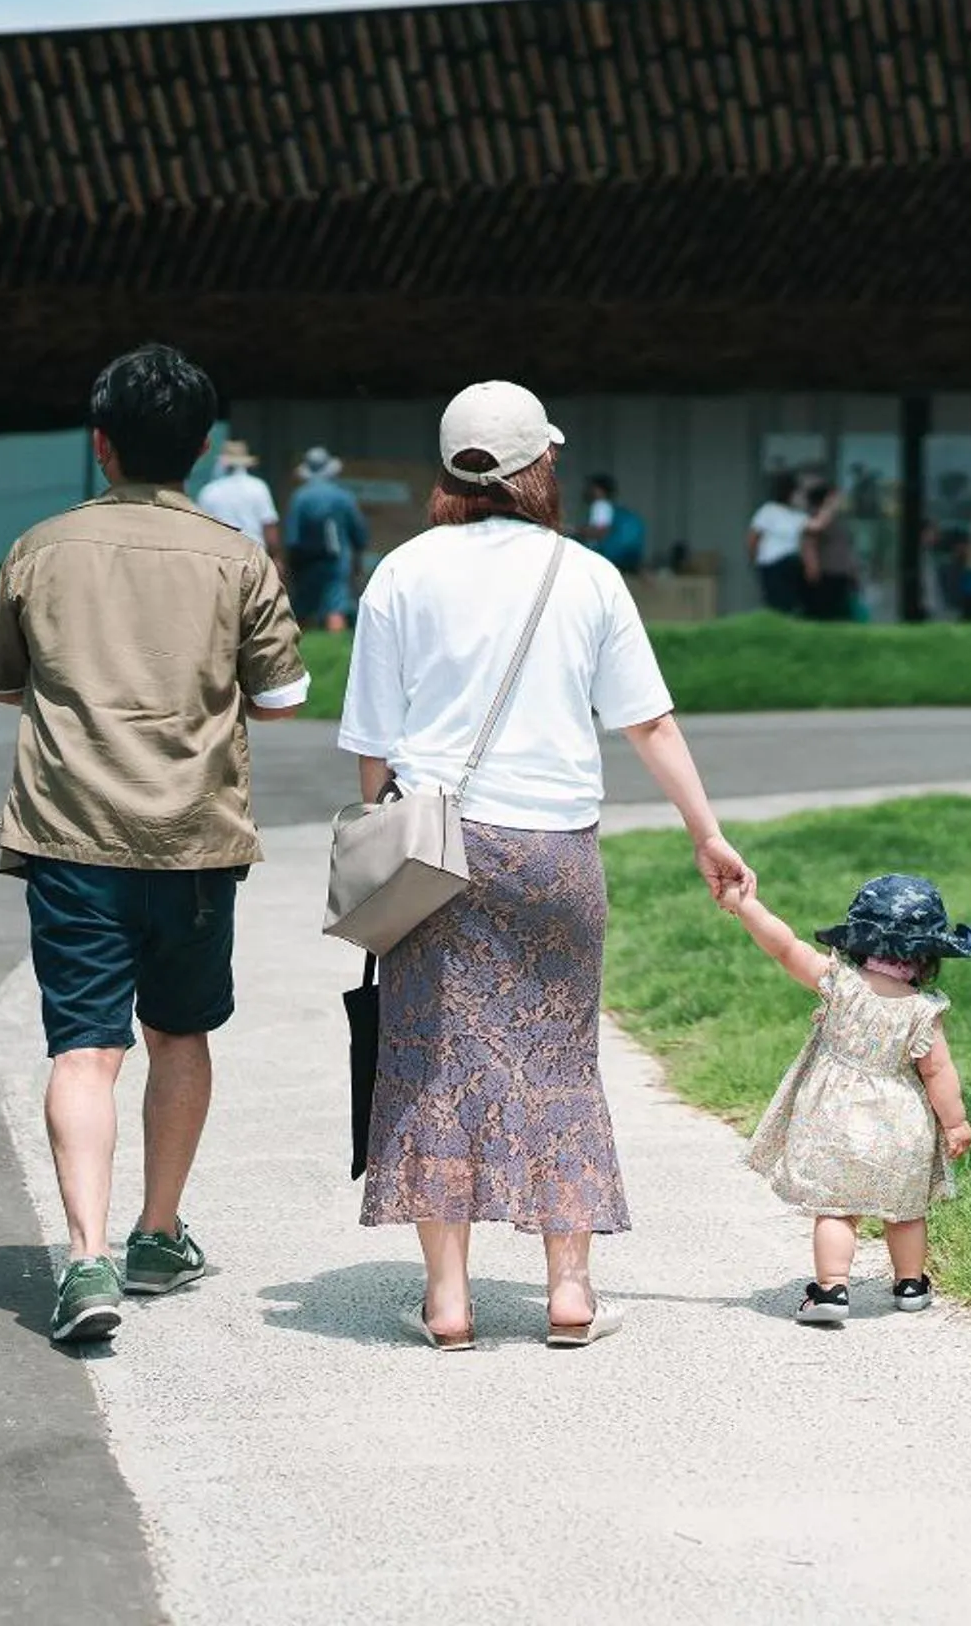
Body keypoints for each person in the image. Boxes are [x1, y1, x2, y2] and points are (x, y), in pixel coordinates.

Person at [338, 380, 754, 1351]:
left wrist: (381, 839)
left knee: (430, 1060)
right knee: (559, 1058)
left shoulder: (400, 573)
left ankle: (448, 1304)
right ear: (539, 467)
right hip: (556, 848)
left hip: (436, 843)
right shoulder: (587, 576)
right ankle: (569, 1293)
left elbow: (371, 743)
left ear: (450, 471)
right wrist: (707, 831)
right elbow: (646, 720)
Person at [0, 344, 311, 1344]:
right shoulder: (237, 554)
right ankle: (157, 1233)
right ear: (202, 452)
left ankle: (84, 1262)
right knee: (181, 1034)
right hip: (194, 842)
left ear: (100, 444)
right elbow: (284, 699)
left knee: (85, 1051)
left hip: (72, 839)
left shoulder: (41, 547)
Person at [721, 873, 971, 1327]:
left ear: (859, 940)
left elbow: (785, 947)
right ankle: (911, 1284)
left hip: (834, 1120)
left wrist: (747, 907)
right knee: (906, 1210)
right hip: (901, 1125)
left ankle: (833, 1287)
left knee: (837, 1208)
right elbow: (938, 1071)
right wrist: (955, 1124)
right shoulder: (924, 1010)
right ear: (929, 956)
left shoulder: (839, 982)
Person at [284, 448, 369, 633]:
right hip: (337, 562)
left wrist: (291, 567)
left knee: (302, 610)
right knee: (335, 607)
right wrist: (358, 560)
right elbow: (359, 533)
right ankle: (335, 654)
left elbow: (292, 537)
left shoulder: (300, 497)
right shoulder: (343, 497)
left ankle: (297, 652)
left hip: (307, 563)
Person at [195, 439, 281, 560]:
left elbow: (201, 531)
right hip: (255, 557)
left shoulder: (209, 491)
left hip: (221, 559)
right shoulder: (258, 487)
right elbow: (269, 527)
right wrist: (276, 558)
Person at [748, 473, 809, 615]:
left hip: (794, 563)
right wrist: (754, 559)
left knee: (793, 603)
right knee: (776, 602)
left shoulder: (802, 516)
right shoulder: (769, 511)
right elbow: (753, 537)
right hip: (772, 562)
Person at [801, 479, 860, 621]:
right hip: (826, 573)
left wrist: (853, 570)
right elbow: (809, 542)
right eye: (835, 496)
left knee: (842, 616)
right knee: (825, 616)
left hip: (841, 573)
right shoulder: (815, 517)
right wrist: (812, 568)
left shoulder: (837, 519)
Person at [580, 472, 648, 574]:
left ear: (599, 489)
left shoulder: (600, 505)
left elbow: (601, 532)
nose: (587, 490)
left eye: (591, 487)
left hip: (603, 557)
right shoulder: (612, 507)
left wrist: (576, 530)